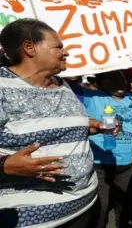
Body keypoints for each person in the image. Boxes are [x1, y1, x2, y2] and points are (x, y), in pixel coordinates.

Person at [0, 19, 98, 227]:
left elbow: (54, 130)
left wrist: (88, 127)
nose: (66, 53)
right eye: (59, 47)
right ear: (29, 48)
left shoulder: (62, 85)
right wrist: (4, 165)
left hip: (84, 206)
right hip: (33, 219)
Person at [69, 69, 132, 227]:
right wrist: (74, 71)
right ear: (101, 82)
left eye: (120, 78)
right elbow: (65, 85)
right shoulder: (91, 97)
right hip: (99, 165)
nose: (118, 82)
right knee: (100, 210)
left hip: (129, 166)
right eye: (112, 79)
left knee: (128, 209)